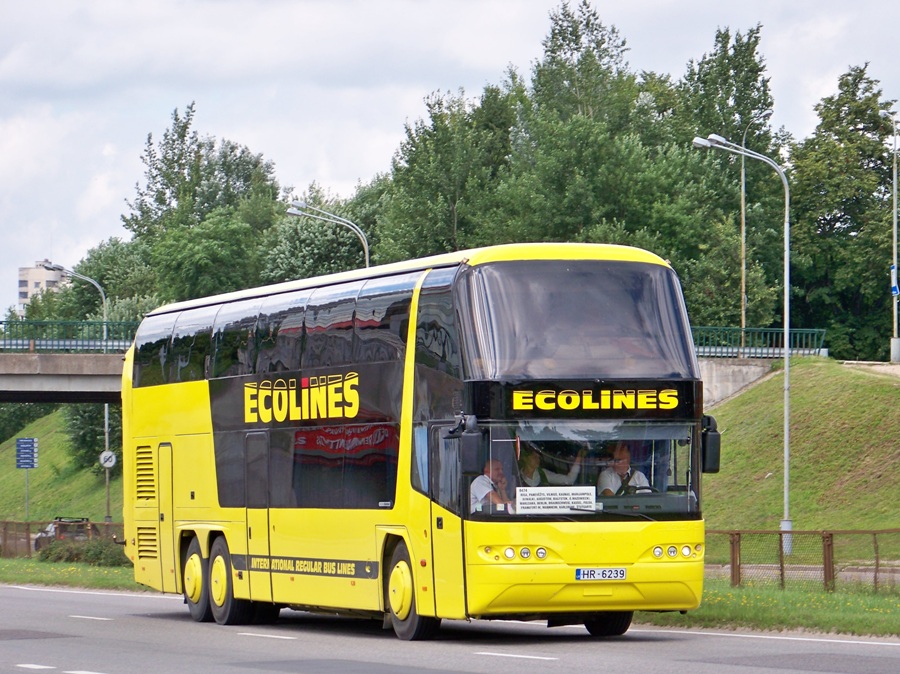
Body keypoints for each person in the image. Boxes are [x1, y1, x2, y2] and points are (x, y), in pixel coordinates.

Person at [518, 446, 584, 487]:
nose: (537, 459)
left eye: (539, 457)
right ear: (525, 458)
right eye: (534, 456)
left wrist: (579, 457)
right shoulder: (516, 477)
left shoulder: (543, 474)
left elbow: (569, 480)